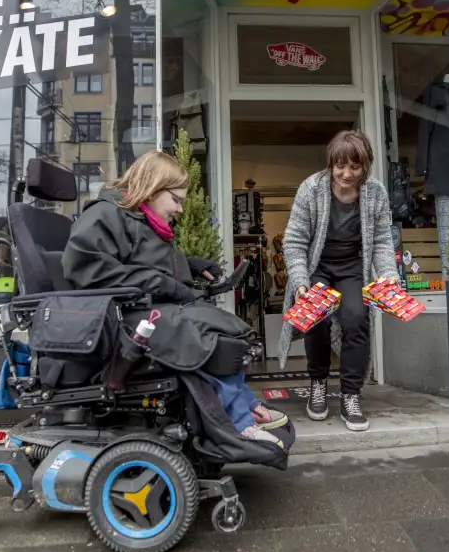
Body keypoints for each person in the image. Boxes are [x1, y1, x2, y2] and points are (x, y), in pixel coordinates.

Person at [61, 150, 287, 446]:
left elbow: (142, 262)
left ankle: (243, 404)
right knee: (209, 337)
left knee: (227, 330)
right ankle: (239, 421)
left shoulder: (139, 219)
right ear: (153, 188)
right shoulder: (105, 214)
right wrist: (166, 284)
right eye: (176, 199)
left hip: (147, 308)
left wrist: (190, 264)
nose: (180, 209)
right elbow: (89, 270)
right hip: (125, 317)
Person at [280, 130, 398, 432]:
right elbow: (294, 240)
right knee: (315, 320)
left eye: (355, 167)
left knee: (357, 319)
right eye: (340, 166)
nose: (347, 174)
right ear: (331, 164)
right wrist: (300, 282)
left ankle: (350, 394)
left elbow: (383, 240)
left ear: (365, 166)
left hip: (351, 268)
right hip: (317, 266)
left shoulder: (376, 193)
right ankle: (318, 382)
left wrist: (388, 277)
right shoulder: (311, 189)